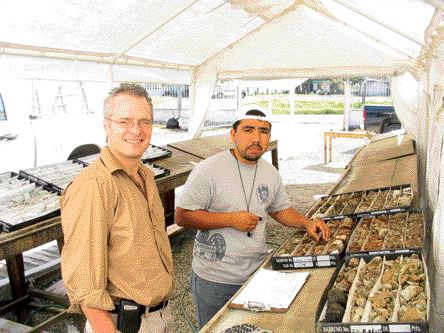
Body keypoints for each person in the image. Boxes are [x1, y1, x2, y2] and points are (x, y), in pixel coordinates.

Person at [175, 105, 331, 328]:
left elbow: (278, 209)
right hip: (216, 278)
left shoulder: (270, 172)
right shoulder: (208, 170)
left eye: (264, 131)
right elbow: (182, 216)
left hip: (257, 272)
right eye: (248, 130)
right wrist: (230, 219)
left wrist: (306, 222)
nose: (256, 138)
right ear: (233, 134)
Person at [60, 83, 174, 333]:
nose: (136, 130)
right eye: (125, 121)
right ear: (107, 125)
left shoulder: (146, 176)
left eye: (145, 121)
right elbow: (84, 280)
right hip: (121, 325)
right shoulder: (93, 186)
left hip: (158, 317)